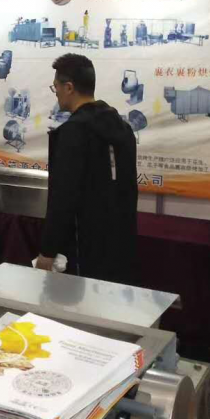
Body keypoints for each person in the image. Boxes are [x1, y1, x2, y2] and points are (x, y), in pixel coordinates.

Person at [36, 53, 138, 283]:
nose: (56, 93)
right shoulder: (123, 129)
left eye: (56, 87)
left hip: (84, 246)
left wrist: (48, 250)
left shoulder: (74, 132)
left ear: (69, 87)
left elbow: (63, 197)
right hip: (120, 244)